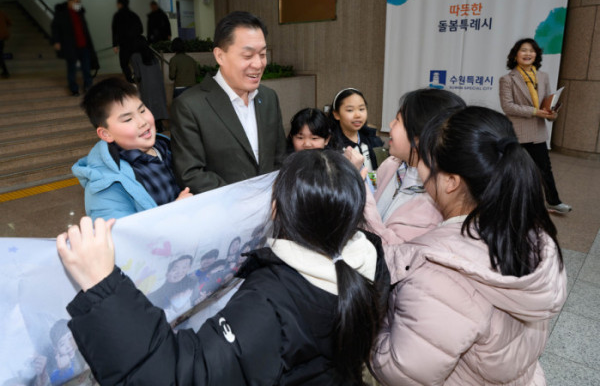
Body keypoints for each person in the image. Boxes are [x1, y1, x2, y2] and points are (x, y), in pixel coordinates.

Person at [56, 149, 390, 385]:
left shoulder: (271, 302)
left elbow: (177, 376)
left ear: (276, 208)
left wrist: (103, 288)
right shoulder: (370, 257)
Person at [370, 106, 567, 385]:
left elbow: (401, 372)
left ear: (451, 181)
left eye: (424, 158)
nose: (419, 166)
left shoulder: (439, 275)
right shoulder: (526, 235)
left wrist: (371, 323)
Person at [170, 11, 286, 194]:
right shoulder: (189, 106)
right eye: (247, 56)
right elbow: (191, 174)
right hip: (225, 208)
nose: (258, 64)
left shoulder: (269, 97)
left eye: (263, 54)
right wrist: (243, 199)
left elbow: (280, 157)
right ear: (220, 56)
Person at [353, 88, 465, 245]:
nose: (390, 124)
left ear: (420, 135)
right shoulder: (392, 164)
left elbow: (397, 251)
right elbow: (374, 188)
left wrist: (358, 188)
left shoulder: (435, 199)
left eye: (398, 120)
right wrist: (361, 176)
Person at [72, 77, 192, 220]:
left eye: (142, 110)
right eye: (128, 119)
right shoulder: (105, 186)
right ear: (106, 134)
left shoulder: (166, 145)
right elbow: (121, 232)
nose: (142, 122)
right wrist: (176, 211)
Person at [499, 38, 571, 214]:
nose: (528, 54)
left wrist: (551, 113)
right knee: (512, 170)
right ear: (515, 55)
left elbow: (547, 101)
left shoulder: (543, 76)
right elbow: (508, 106)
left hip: (537, 132)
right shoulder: (507, 79)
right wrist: (535, 112)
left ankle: (553, 201)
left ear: (536, 55)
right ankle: (504, 202)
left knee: (544, 169)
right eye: (523, 50)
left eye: (532, 51)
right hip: (516, 132)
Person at [50, 0, 95, 96]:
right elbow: (55, 27)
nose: (78, 3)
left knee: (86, 67)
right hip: (71, 46)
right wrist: (56, 41)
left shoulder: (80, 12)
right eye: (76, 1)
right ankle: (73, 88)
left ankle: (88, 86)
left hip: (84, 45)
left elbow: (84, 29)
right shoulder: (62, 13)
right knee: (72, 68)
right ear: (69, 1)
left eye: (79, 1)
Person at [330, 88, 383, 171]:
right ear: (336, 114)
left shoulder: (372, 139)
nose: (358, 115)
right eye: (350, 110)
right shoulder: (331, 144)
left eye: (361, 109)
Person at [130, 35, 168, 132]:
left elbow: (138, 75)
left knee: (148, 105)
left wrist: (133, 78)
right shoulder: (152, 55)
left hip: (146, 85)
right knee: (157, 104)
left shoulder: (135, 56)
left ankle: (152, 127)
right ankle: (160, 125)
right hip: (158, 84)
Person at [111, 0, 143, 83]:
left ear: (120, 4)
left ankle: (130, 80)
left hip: (124, 44)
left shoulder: (117, 16)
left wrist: (115, 44)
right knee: (136, 62)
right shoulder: (134, 15)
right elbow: (141, 29)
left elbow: (115, 31)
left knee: (124, 63)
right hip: (135, 43)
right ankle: (138, 78)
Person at [48, 320, 86, 385]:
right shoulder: (56, 375)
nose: (68, 346)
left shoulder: (87, 351)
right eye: (62, 344)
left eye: (70, 338)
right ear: (56, 350)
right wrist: (65, 369)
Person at [0, 9, 11, 78]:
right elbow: (10, 23)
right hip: (2, 38)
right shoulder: (2, 13)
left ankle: (5, 71)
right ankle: (5, 71)